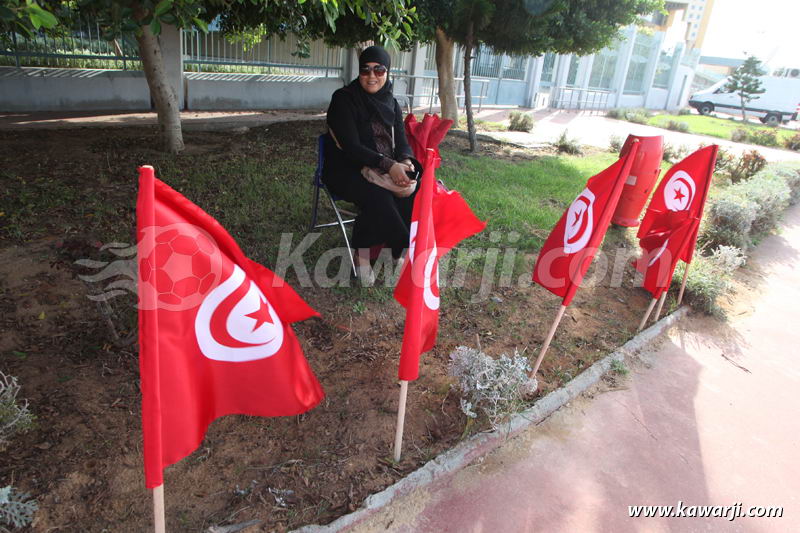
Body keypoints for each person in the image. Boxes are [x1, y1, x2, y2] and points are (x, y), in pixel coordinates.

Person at [322, 45, 420, 279]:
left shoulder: (392, 103)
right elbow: (351, 147)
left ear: (388, 72)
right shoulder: (344, 99)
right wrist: (388, 166)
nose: (372, 76)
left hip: (384, 166)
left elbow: (402, 141)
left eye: (379, 70)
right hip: (347, 168)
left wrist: (405, 161)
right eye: (365, 70)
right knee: (378, 195)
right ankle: (381, 251)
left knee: (412, 189)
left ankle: (397, 253)